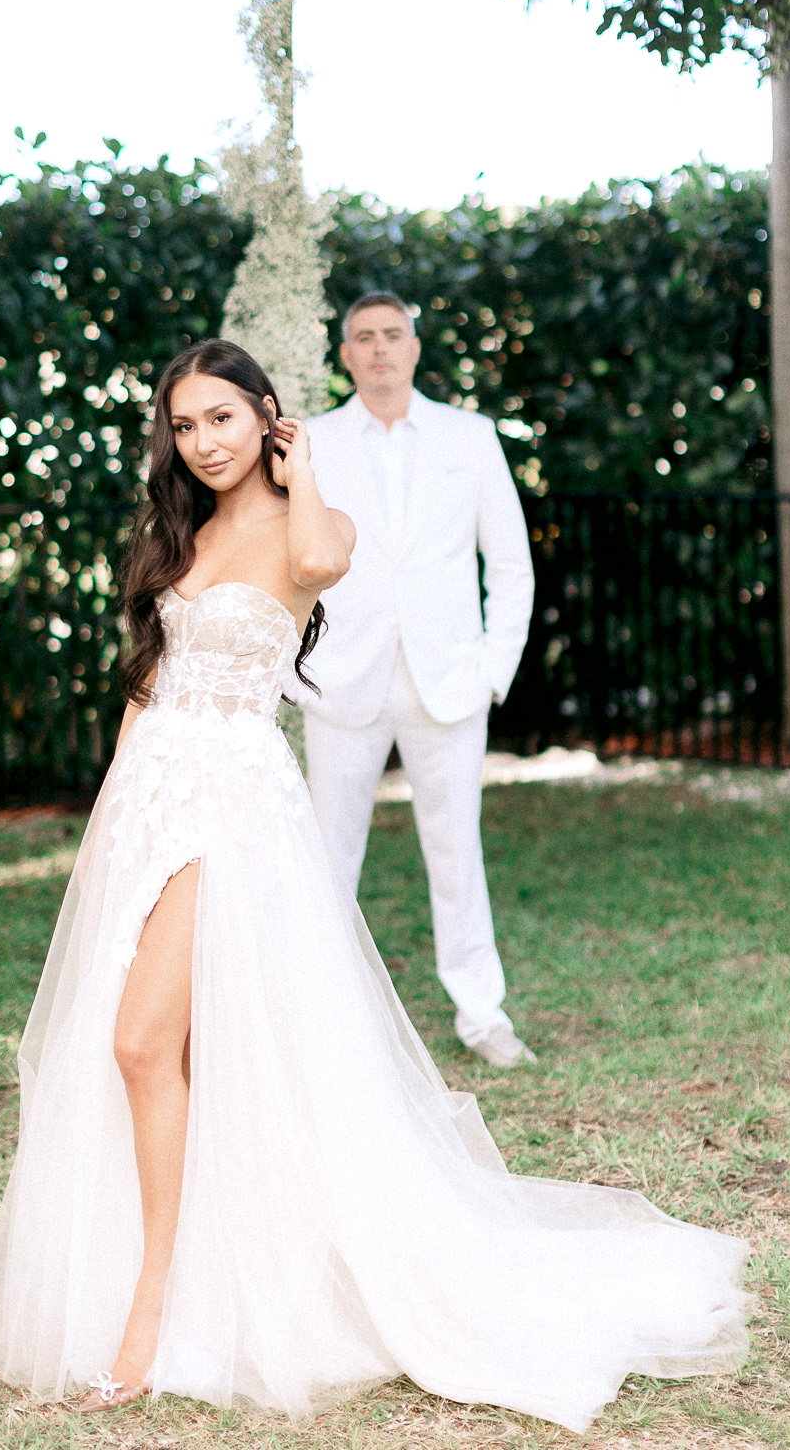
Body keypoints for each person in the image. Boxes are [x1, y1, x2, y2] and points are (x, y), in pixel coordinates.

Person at [0, 337, 749, 1432]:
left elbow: (325, 561)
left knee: (140, 1043)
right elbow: (147, 686)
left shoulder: (311, 525)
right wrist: (104, 825)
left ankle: (150, 1310)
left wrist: (303, 469)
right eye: (185, 426)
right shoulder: (178, 533)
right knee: (180, 1051)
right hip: (149, 797)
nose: (204, 442)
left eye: (223, 418)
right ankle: (200, 1269)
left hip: (231, 804)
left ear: (266, 415)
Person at [302, 292, 536, 1068]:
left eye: (392, 335)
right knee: (328, 854)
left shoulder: (470, 437)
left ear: (414, 347)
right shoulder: (314, 442)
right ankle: (323, 1017)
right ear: (345, 354)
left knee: (456, 850)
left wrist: (494, 670)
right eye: (364, 337)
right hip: (343, 681)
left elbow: (510, 564)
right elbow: (287, 557)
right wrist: (297, 672)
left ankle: (483, 1014)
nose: (379, 348)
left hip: (450, 681)